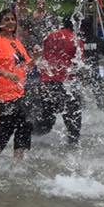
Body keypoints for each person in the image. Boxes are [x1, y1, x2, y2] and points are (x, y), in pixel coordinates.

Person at [0, 8, 33, 159]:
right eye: (7, 20)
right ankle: (2, 158)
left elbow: (26, 64)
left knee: (17, 124)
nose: (11, 22)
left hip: (19, 90)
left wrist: (36, 58)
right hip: (4, 92)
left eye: (12, 19)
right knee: (16, 124)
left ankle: (10, 157)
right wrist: (6, 73)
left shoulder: (16, 42)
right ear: (0, 24)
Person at [35, 17, 84, 145]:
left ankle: (33, 137)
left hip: (47, 81)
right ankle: (73, 144)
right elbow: (79, 64)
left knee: (47, 116)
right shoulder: (76, 40)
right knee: (73, 117)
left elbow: (43, 55)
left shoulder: (50, 36)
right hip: (66, 83)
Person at [79, 16, 104, 108]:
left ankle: (81, 107)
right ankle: (101, 107)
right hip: (94, 68)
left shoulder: (78, 40)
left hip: (81, 69)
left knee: (78, 90)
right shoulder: (97, 40)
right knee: (98, 90)